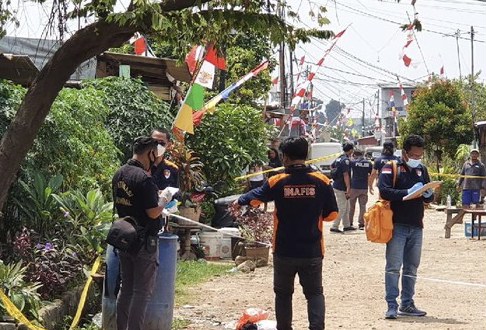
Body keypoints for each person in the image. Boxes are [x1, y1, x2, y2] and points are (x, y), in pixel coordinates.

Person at [233, 137, 338, 330]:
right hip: (312, 250)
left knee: (283, 294)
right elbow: (332, 214)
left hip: (284, 250)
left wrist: (240, 200)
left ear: (285, 157)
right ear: (306, 155)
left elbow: (254, 198)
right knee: (314, 293)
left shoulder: (277, 181)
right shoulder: (322, 181)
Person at [112, 136, 173, 330]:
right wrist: (164, 198)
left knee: (126, 288)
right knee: (141, 292)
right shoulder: (143, 179)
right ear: (150, 153)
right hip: (144, 241)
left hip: (124, 237)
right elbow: (153, 212)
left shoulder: (119, 174)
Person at [378, 134, 434, 320]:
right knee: (393, 267)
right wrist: (406, 193)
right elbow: (384, 191)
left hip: (417, 225)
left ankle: (407, 304)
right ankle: (391, 305)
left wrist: (428, 193)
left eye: (420, 156)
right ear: (404, 153)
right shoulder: (391, 167)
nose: (417, 159)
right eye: (414, 156)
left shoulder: (421, 170)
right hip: (397, 225)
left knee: (411, 267)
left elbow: (429, 197)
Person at [330, 142, 355, 233]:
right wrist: (348, 187)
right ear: (351, 150)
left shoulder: (339, 158)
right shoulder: (345, 160)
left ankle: (347, 225)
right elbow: (346, 175)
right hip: (342, 187)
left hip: (337, 184)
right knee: (342, 207)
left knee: (347, 206)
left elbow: (332, 166)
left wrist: (336, 175)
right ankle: (334, 226)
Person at [348, 149, 372, 230]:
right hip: (364, 187)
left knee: (351, 206)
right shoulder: (368, 163)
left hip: (354, 187)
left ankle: (349, 222)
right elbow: (371, 174)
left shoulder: (353, 162)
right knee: (363, 206)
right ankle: (361, 224)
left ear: (354, 155)